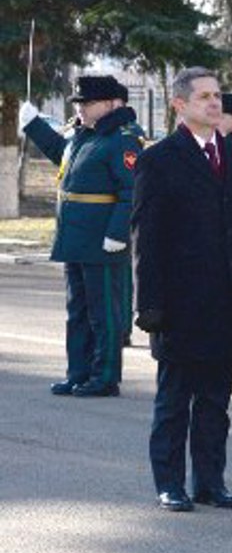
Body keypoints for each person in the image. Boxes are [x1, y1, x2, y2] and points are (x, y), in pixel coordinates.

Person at [131, 66, 232, 512]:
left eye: (217, 95)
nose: (214, 103)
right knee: (174, 402)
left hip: (228, 301)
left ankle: (210, 482)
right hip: (180, 303)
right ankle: (170, 483)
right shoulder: (159, 159)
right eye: (204, 96)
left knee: (215, 402)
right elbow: (146, 237)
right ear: (179, 105)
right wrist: (149, 303)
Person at [19, 75, 142, 397]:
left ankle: (105, 376)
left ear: (112, 104)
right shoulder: (85, 136)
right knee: (78, 313)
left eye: (88, 103)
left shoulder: (122, 139)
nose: (81, 109)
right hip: (75, 238)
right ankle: (79, 373)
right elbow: (61, 153)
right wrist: (33, 125)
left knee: (103, 314)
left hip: (102, 240)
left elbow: (131, 191)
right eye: (78, 103)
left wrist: (117, 233)